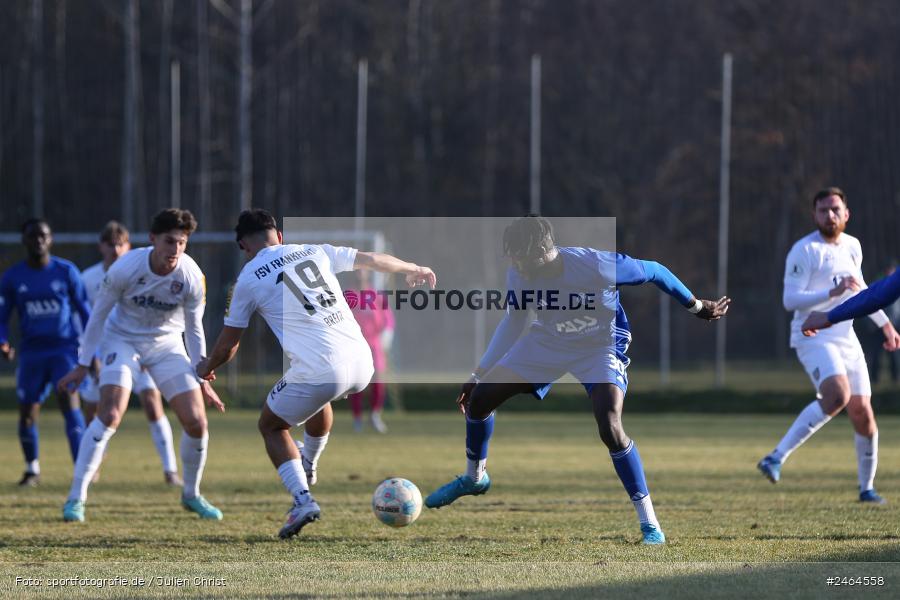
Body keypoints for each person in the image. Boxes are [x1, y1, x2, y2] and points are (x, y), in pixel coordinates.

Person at [424, 215, 730, 545]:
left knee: (610, 425)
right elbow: (515, 322)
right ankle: (474, 478)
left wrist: (697, 306)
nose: (514, 264)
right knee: (480, 400)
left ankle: (650, 525)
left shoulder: (596, 266)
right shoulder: (519, 273)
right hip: (548, 342)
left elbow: (655, 270)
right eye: (511, 256)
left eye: (519, 256)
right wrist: (479, 372)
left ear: (542, 252)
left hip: (599, 344)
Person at [196, 209, 435, 539]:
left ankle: (302, 499)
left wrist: (205, 368)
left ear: (243, 246)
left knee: (271, 425)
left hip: (321, 368)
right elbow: (374, 260)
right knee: (317, 396)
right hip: (362, 362)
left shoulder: (247, 279)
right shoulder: (314, 250)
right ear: (279, 236)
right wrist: (415, 268)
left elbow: (228, 347)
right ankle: (308, 463)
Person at [57, 209, 224, 523]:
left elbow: (194, 327)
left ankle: (191, 494)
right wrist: (82, 363)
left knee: (196, 421)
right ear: (152, 240)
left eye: (182, 243)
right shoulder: (125, 268)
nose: (175, 250)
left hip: (166, 345)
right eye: (169, 241)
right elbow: (98, 317)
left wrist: (201, 374)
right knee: (109, 415)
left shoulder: (191, 275)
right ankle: (76, 498)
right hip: (121, 341)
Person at [757, 188, 900, 504]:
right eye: (823, 210)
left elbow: (862, 291)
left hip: (845, 336)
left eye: (835, 209)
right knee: (838, 395)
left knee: (862, 412)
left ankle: (867, 489)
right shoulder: (804, 250)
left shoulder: (853, 246)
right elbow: (789, 300)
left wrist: (886, 324)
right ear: (814, 215)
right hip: (812, 335)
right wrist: (830, 294)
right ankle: (776, 457)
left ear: (846, 214)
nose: (829, 215)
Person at [80, 221, 182, 486]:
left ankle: (170, 470)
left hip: (139, 348)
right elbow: (87, 320)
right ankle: (94, 465)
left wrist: (151, 348)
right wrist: (89, 357)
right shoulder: (88, 279)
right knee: (96, 413)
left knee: (152, 401)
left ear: (129, 245)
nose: (115, 249)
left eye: (120, 244)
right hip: (103, 352)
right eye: (110, 244)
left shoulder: (140, 272)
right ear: (101, 246)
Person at [0, 219, 89, 486]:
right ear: (24, 241)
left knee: (69, 403)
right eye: (32, 236)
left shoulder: (66, 271)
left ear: (50, 240)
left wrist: (92, 349)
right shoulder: (13, 277)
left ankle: (81, 472)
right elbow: (2, 317)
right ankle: (32, 469)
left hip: (64, 350)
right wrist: (2, 341)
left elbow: (85, 312)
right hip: (31, 353)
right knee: (27, 411)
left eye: (43, 236)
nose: (38, 240)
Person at [347, 269, 395, 433]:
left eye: (363, 271)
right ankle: (357, 417)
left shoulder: (376, 296)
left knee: (378, 380)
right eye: (357, 271)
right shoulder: (348, 296)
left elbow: (388, 320)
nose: (361, 274)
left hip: (374, 343)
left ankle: (375, 414)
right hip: (355, 344)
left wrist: (386, 338)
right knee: (356, 381)